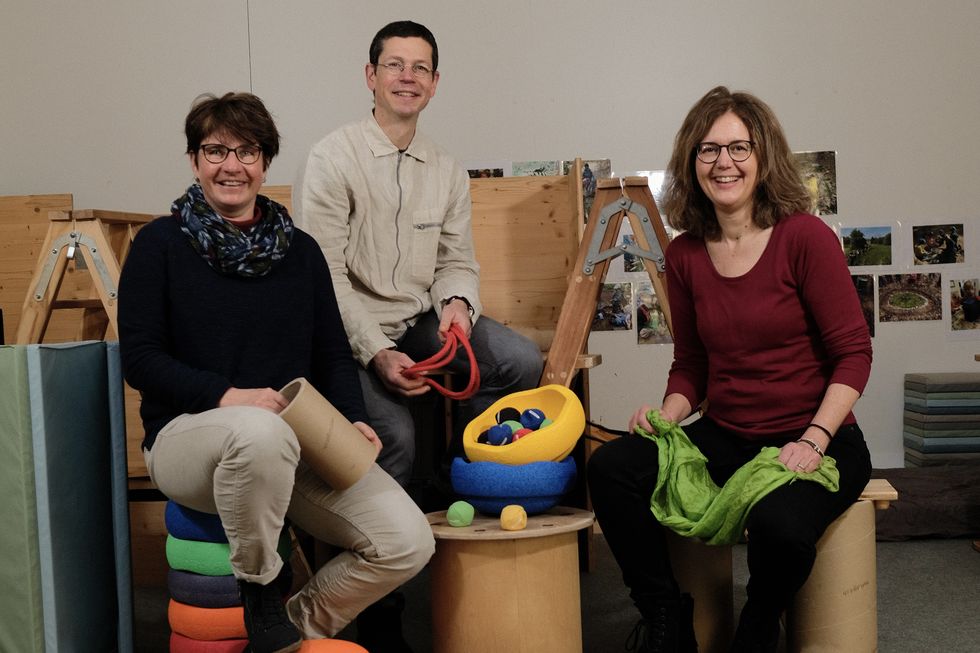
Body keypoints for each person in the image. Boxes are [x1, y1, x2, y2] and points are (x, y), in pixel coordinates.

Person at [118, 92, 434, 653]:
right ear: (194, 160)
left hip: (294, 444)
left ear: (265, 163)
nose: (231, 165)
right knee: (257, 431)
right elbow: (140, 360)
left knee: (407, 541)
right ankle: (262, 592)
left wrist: (354, 420)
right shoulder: (158, 246)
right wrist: (228, 396)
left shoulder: (303, 252)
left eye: (247, 151)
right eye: (216, 150)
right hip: (187, 441)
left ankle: (291, 625)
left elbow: (333, 354)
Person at [587, 86, 873, 653]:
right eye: (709, 150)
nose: (725, 163)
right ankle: (666, 617)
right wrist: (667, 415)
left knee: (780, 526)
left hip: (820, 436)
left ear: (763, 156)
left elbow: (854, 354)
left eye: (739, 148)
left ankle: (760, 622)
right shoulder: (686, 254)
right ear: (692, 164)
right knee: (613, 469)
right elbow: (692, 364)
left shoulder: (806, 238)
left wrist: (814, 439)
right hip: (730, 434)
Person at [295, 20, 542, 490]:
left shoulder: (447, 168)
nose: (408, 77)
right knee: (396, 438)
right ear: (371, 76)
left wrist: (457, 304)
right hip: (346, 336)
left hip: (417, 323)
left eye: (420, 68)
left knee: (519, 361)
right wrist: (378, 353)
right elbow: (322, 280)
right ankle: (385, 548)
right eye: (395, 65)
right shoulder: (331, 158)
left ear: (434, 84)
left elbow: (455, 260)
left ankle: (460, 480)